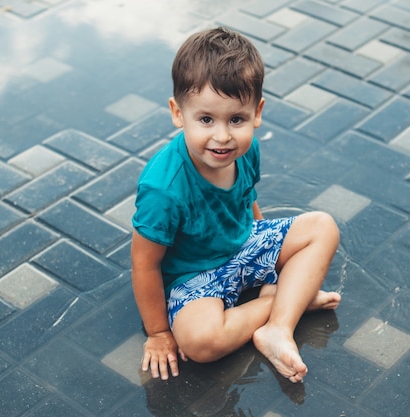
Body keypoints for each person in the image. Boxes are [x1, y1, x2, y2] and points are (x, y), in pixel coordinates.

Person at [131, 27, 341, 384]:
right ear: (178, 113)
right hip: (194, 276)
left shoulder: (246, 150)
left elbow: (248, 200)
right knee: (201, 343)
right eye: (206, 119)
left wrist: (268, 256)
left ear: (257, 113)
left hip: (243, 245)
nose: (223, 136)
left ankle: (278, 328)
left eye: (236, 119)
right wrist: (158, 333)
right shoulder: (163, 188)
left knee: (323, 227)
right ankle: (292, 299)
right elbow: (144, 263)